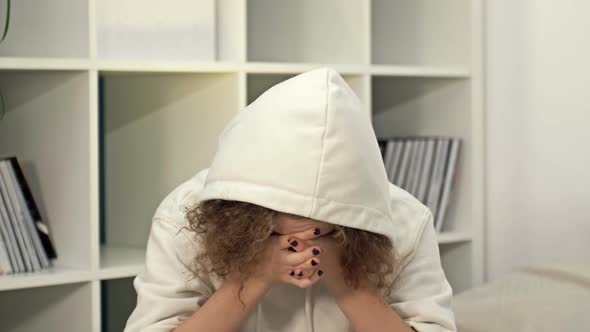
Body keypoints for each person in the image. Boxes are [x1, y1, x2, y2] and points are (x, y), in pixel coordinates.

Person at [124, 68, 456, 332]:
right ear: (243, 210)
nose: (299, 242)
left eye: (322, 229)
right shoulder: (184, 217)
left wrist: (349, 281)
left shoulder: (407, 220)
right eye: (278, 226)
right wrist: (254, 276)